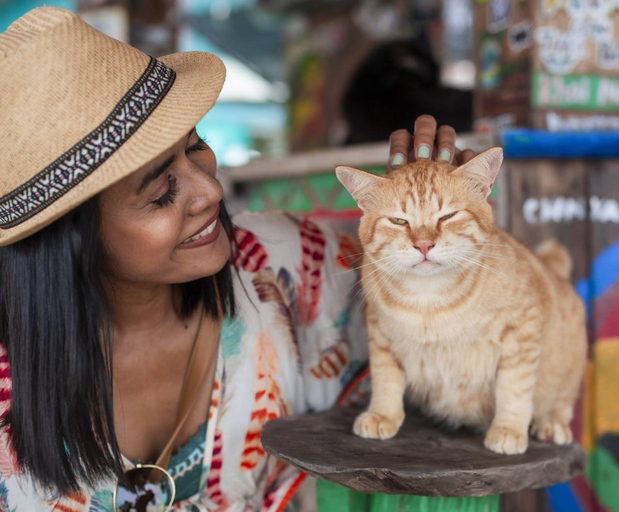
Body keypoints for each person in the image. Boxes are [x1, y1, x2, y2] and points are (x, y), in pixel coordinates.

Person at [0, 7, 478, 511]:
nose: (210, 190)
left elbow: (462, 366)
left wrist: (437, 238)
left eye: (197, 146)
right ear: (71, 239)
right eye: (162, 191)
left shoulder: (288, 267)